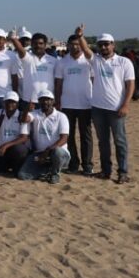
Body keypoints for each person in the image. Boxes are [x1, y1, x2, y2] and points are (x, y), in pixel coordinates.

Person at [76, 26, 135, 184]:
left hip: (116, 109)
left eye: (106, 44)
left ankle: (122, 172)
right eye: (101, 44)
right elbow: (85, 49)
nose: (103, 47)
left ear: (113, 45)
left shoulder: (124, 62)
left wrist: (126, 105)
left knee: (120, 141)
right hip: (98, 109)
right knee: (103, 142)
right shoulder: (96, 60)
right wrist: (80, 36)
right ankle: (106, 171)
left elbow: (130, 85)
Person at [54, 34, 94, 175]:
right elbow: (58, 84)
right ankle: (73, 164)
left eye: (78, 44)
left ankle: (87, 165)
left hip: (86, 104)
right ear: (68, 45)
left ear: (83, 45)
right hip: (67, 104)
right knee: (68, 136)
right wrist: (58, 101)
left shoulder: (89, 61)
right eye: (72, 44)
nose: (75, 46)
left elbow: (95, 81)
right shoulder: (62, 62)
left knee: (86, 136)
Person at [17, 90, 71, 184]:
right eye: (42, 100)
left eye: (48, 100)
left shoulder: (61, 116)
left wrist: (48, 151)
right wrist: (26, 110)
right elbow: (24, 119)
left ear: (53, 101)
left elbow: (64, 139)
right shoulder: (35, 114)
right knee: (22, 175)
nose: (45, 102)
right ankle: (47, 170)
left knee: (57, 151)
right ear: (39, 102)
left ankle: (55, 174)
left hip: (58, 154)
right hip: (39, 154)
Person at [11, 31, 58, 112]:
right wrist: (14, 39)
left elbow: (57, 81)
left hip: (47, 101)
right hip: (29, 101)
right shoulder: (28, 58)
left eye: (41, 43)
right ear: (31, 44)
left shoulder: (53, 61)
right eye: (35, 43)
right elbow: (20, 49)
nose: (38, 46)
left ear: (45, 44)